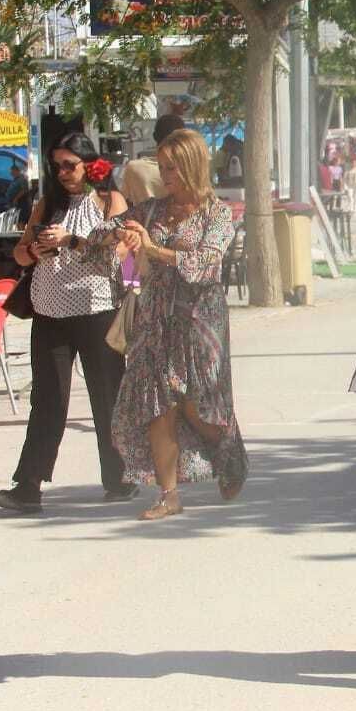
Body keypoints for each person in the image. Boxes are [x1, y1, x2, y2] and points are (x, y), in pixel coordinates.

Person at [95, 129, 247, 519]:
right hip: (154, 318)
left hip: (199, 321)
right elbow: (103, 233)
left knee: (196, 405)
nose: (165, 176)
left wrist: (153, 250)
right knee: (158, 403)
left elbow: (205, 265)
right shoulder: (150, 210)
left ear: (193, 165)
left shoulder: (217, 214)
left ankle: (226, 444)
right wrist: (119, 234)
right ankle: (168, 494)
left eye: (172, 168)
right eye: (161, 167)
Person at [0, 133, 133, 514]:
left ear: (90, 164)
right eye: (57, 166)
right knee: (47, 400)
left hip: (97, 310)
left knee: (106, 396)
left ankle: (119, 477)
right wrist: (35, 249)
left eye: (70, 164)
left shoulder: (110, 201)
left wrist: (72, 240)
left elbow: (116, 254)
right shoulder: (46, 205)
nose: (63, 173)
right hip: (50, 312)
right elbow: (21, 256)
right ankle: (28, 486)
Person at [120, 113, 185, 205]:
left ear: (154, 136)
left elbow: (125, 203)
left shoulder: (134, 168)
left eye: (170, 168)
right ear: (184, 139)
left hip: (143, 218)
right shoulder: (190, 169)